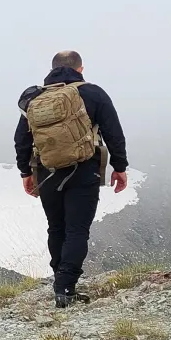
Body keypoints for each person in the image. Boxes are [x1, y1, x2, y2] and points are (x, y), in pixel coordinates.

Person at [15, 50, 129, 308]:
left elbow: (22, 139)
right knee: (77, 229)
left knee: (56, 228)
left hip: (47, 171)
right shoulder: (93, 93)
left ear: (51, 69)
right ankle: (65, 287)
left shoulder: (36, 98)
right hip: (84, 169)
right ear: (81, 69)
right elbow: (114, 132)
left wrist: (25, 173)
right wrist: (119, 167)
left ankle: (61, 281)